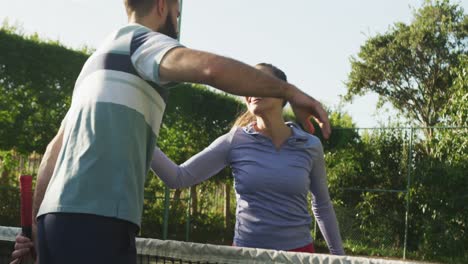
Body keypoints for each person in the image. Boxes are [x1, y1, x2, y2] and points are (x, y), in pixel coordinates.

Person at [10, 0, 331, 263]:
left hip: (56, 222)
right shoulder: (142, 40)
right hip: (98, 222)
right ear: (163, 6)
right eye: (178, 11)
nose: (177, 19)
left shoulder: (96, 61)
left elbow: (54, 151)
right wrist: (292, 92)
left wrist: (38, 232)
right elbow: (211, 69)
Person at [150, 63, 345, 254]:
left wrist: (339, 258)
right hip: (245, 256)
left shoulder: (310, 145)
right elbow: (178, 177)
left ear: (282, 93)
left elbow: (322, 205)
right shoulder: (235, 140)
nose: (250, 89)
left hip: (299, 256)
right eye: (246, 84)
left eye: (258, 81)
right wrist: (141, 134)